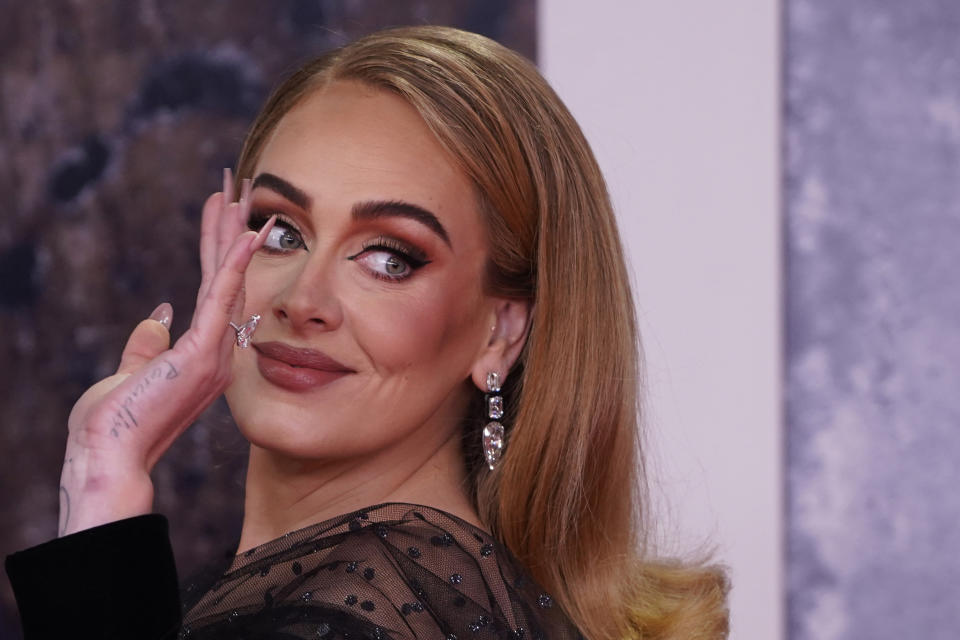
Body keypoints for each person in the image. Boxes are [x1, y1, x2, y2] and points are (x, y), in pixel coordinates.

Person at [5, 26, 728, 640]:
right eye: (281, 230)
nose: (304, 299)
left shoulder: (356, 616)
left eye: (389, 258)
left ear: (500, 332)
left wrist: (102, 487)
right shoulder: (378, 595)